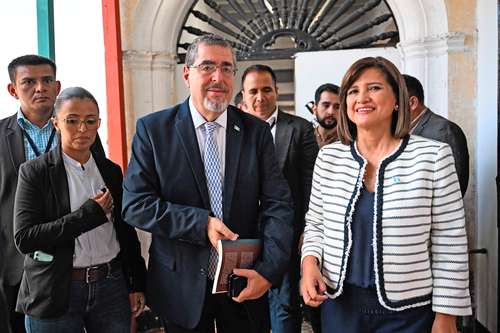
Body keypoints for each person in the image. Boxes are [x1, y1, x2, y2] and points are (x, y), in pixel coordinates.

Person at [122, 35, 293, 333]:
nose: (218, 77)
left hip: (244, 281)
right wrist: (200, 224)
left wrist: (268, 272)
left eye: (227, 68)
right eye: (208, 67)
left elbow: (278, 205)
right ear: (187, 74)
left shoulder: (256, 132)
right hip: (180, 284)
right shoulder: (153, 131)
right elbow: (135, 205)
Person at [301, 57, 471, 333]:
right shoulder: (329, 157)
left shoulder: (433, 156)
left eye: (374, 88)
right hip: (340, 307)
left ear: (397, 100)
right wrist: (309, 264)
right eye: (353, 91)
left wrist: (446, 315)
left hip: (409, 313)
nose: (362, 97)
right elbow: (316, 225)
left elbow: (450, 240)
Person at [13, 87, 146, 332]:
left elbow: (126, 231)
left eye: (90, 121)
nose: (82, 129)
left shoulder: (111, 170)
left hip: (111, 285)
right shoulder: (35, 172)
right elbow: (25, 238)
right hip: (57, 288)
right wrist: (88, 215)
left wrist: (137, 282)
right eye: (72, 121)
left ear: (98, 123)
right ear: (56, 124)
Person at [0, 55, 106, 333]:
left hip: (73, 264)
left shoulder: (80, 129)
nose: (40, 88)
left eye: (47, 81)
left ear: (57, 87)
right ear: (13, 90)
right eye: (29, 82)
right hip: (16, 263)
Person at [241, 64, 317, 333]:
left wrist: (308, 229)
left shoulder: (300, 128)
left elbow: (311, 185)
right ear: (243, 96)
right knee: (247, 304)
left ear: (277, 91)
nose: (260, 97)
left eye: (266, 90)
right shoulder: (233, 131)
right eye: (253, 91)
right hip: (243, 234)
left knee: (284, 304)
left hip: (284, 231)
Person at [403, 74, 469, 196]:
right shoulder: (402, 131)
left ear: (412, 103)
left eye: (394, 103)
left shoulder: (444, 130)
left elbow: (454, 188)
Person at [312, 83, 341, 148]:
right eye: (326, 105)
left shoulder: (349, 141)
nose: (331, 112)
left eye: (337, 107)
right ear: (314, 109)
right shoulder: (304, 136)